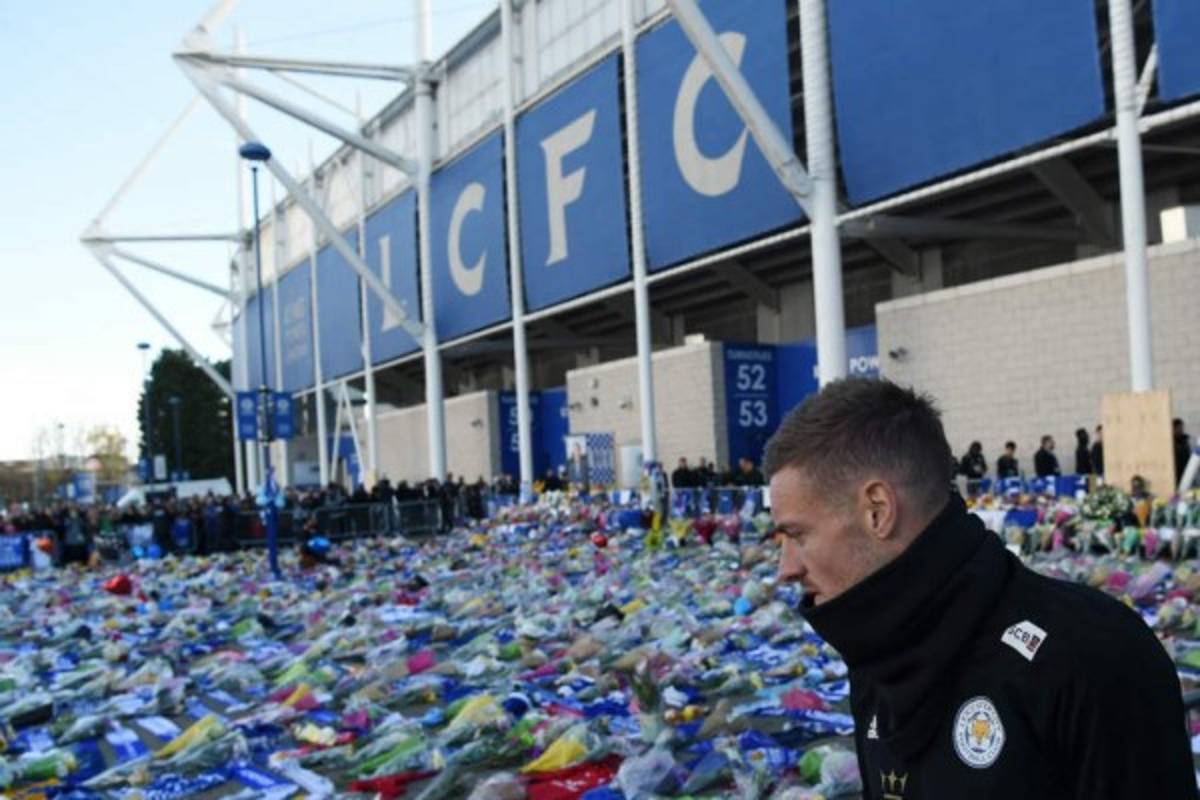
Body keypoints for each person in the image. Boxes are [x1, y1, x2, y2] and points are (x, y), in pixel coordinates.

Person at [764, 379, 1195, 798]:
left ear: (877, 510)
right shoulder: (879, 655)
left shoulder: (1091, 657)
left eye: (797, 535)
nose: (785, 568)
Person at [1175, 418, 1192, 486]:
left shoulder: (1185, 440)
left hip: (1185, 469)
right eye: (1178, 428)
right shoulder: (1170, 442)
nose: (1180, 430)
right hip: (1176, 471)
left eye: (1181, 428)